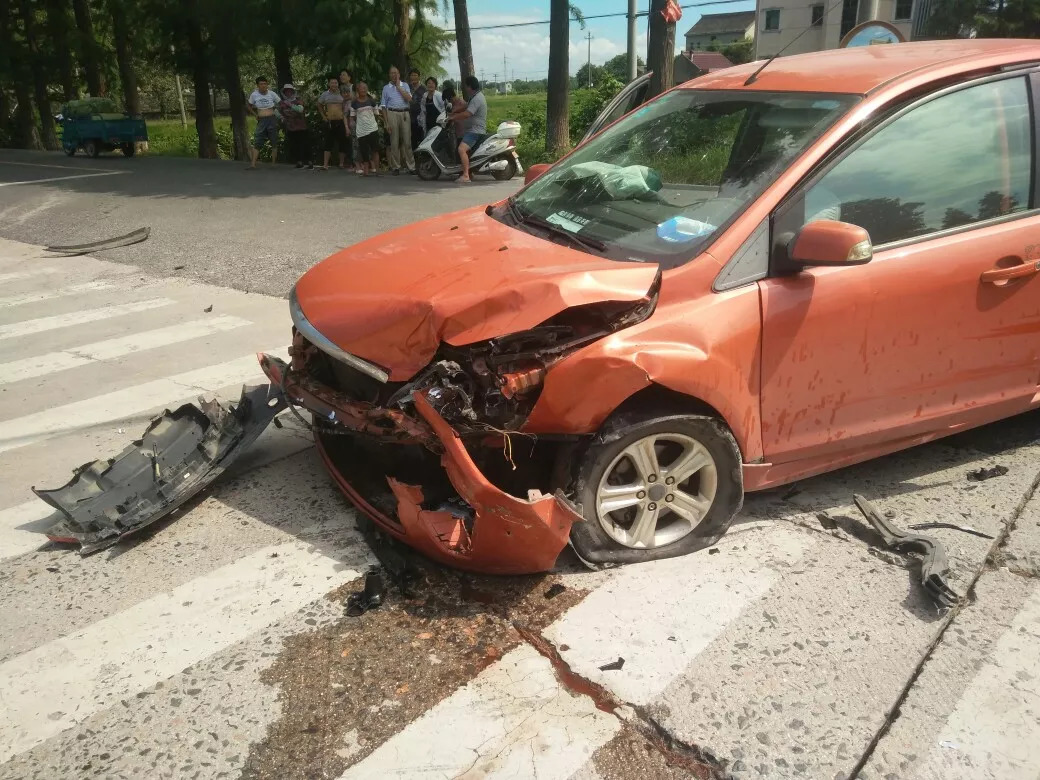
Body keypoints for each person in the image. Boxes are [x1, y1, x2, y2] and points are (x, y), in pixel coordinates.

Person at [448, 75, 488, 183]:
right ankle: (470, 172)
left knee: (461, 149)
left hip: (475, 130)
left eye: (466, 86)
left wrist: (453, 117)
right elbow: (466, 106)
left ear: (470, 86)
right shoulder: (474, 96)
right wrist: (454, 111)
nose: (465, 88)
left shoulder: (477, 99)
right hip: (472, 130)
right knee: (465, 150)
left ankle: (466, 175)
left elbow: (467, 114)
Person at [380, 66, 414, 175]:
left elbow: (409, 99)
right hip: (392, 113)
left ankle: (411, 166)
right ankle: (396, 167)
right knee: (394, 142)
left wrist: (399, 87)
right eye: (392, 73)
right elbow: (383, 106)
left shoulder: (405, 85)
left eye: (396, 73)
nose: (394, 75)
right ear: (389, 75)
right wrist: (386, 122)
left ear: (399, 74)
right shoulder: (386, 88)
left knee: (407, 141)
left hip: (404, 113)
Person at [247, 77, 280, 169]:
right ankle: (253, 164)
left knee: (273, 141)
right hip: (261, 120)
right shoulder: (254, 95)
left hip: (271, 119)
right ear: (258, 85)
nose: (263, 85)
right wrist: (255, 114)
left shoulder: (272, 94)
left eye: (265, 83)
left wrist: (277, 113)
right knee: (257, 140)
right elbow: (249, 106)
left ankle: (273, 164)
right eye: (261, 84)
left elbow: (280, 103)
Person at [317, 75, 350, 170]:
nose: (334, 84)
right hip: (329, 121)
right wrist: (323, 116)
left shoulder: (342, 93)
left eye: (336, 83)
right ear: (328, 84)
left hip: (340, 120)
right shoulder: (325, 94)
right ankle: (325, 165)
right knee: (328, 143)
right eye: (332, 83)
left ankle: (341, 164)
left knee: (343, 142)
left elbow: (348, 102)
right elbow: (319, 104)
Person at [350, 81, 382, 176]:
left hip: (373, 129)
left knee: (375, 150)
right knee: (364, 152)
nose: (363, 89)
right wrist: (355, 123)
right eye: (361, 88)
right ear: (358, 90)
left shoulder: (371, 101)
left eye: (365, 88)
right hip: (361, 131)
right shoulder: (354, 103)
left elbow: (376, 114)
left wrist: (372, 124)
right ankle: (366, 172)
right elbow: (352, 117)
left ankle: (377, 170)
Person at [278, 84, 311, 169]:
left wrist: (290, 104)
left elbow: (300, 110)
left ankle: (309, 162)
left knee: (303, 144)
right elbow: (277, 111)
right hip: (290, 127)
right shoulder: (282, 103)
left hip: (301, 126)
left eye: (290, 91)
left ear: (293, 92)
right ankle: (299, 162)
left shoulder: (298, 101)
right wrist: (281, 117)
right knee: (294, 145)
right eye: (286, 91)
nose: (288, 93)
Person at [407, 68, 426, 151]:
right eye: (412, 75)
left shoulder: (423, 89)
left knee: (421, 137)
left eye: (415, 75)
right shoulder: (407, 87)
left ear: (419, 77)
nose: (413, 77)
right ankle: (413, 157)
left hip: (420, 117)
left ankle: (423, 155)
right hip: (408, 117)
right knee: (411, 138)